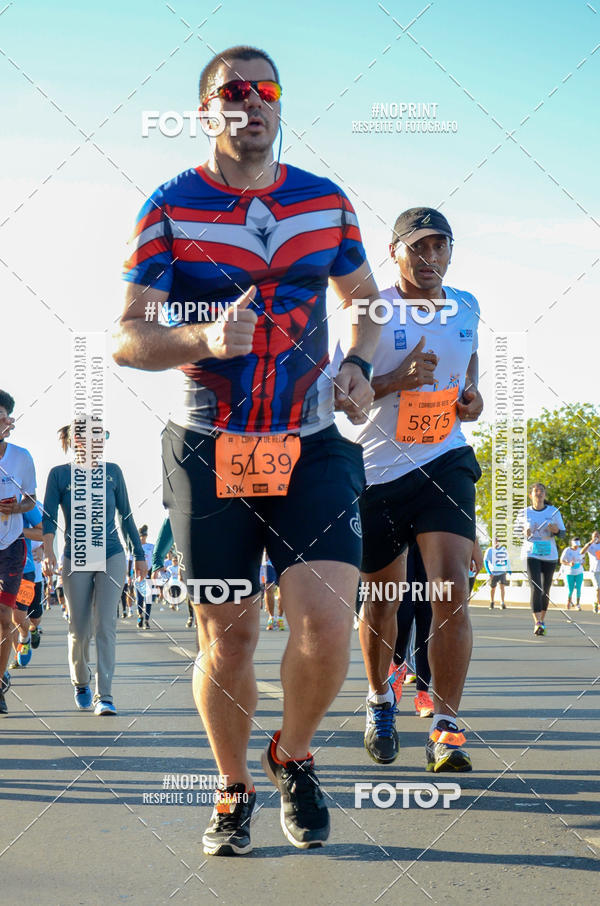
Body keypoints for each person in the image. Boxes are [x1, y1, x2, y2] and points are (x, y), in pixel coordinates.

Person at [114, 44, 380, 855]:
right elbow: (128, 337)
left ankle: (291, 755)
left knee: (328, 624)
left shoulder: (324, 202)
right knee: (227, 636)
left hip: (309, 442)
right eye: (236, 92)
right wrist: (200, 333)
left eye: (267, 90)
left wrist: (361, 365)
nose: (253, 102)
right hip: (209, 444)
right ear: (208, 112)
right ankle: (232, 790)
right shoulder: (168, 207)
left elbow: (363, 301)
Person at [335, 206, 484, 772]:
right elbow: (341, 404)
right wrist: (396, 381)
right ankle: (379, 700)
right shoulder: (368, 311)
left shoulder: (467, 306)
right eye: (417, 248)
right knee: (382, 599)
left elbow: (468, 378)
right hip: (377, 470)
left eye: (440, 247)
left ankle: (445, 726)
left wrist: (471, 399)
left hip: (445, 459)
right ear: (394, 252)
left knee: (449, 589)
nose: (430, 259)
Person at [42, 420, 147, 715]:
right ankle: (81, 681)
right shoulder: (60, 475)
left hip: (112, 553)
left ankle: (106, 695)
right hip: (75, 557)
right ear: (78, 440)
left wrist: (138, 554)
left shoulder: (112, 472)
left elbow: (125, 515)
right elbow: (49, 518)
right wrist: (49, 550)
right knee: (79, 628)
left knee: (105, 625)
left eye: (104, 436)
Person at [0, 390, 37, 714]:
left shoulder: (21, 458)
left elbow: (30, 502)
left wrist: (14, 510)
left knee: (4, 618)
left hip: (11, 547)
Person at [515, 482, 565, 635]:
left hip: (549, 554)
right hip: (531, 553)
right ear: (530, 495)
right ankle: (537, 622)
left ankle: (542, 620)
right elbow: (516, 533)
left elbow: (562, 533)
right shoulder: (523, 513)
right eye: (536, 491)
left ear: (545, 494)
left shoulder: (553, 511)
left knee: (546, 589)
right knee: (536, 587)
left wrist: (556, 530)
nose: (539, 493)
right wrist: (524, 530)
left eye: (541, 491)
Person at [136, 526, 155, 629]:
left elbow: (155, 559)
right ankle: (140, 617)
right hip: (139, 576)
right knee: (139, 599)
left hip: (148, 575)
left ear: (146, 536)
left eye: (144, 536)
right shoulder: (136, 547)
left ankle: (147, 620)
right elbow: (131, 561)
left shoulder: (151, 547)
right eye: (141, 536)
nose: (143, 538)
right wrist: (131, 576)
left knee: (148, 599)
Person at [261, 552, 284, 630]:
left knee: (283, 589)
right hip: (269, 561)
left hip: (285, 559)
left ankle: (280, 619)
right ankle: (271, 617)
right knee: (269, 588)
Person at [484, 537, 510, 609]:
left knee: (502, 587)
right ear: (492, 542)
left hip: (502, 572)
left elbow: (506, 560)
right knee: (493, 588)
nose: (496, 542)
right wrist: (489, 572)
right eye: (495, 541)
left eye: (498, 541)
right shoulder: (489, 550)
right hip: (493, 573)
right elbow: (485, 562)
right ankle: (492, 602)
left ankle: (502, 603)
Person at [561, 537, 584, 610]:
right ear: (572, 543)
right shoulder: (567, 550)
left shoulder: (581, 550)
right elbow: (561, 560)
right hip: (570, 572)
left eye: (578, 544)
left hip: (579, 572)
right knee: (570, 589)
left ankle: (578, 604)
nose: (576, 546)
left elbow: (583, 559)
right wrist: (569, 564)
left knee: (579, 588)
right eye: (575, 544)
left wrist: (583, 562)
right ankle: (569, 601)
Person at [581, 530, 600, 613]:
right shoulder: (590, 546)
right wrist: (590, 542)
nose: (596, 537)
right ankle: (598, 604)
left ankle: (596, 602)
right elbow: (582, 552)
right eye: (594, 536)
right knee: (598, 588)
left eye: (597, 536)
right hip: (594, 570)